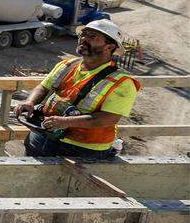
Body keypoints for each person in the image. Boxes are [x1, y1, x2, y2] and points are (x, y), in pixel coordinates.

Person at [15, 20, 139, 159]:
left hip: (83, 148)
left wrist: (65, 122)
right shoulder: (67, 65)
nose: (83, 39)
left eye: (92, 37)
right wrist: (30, 102)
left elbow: (108, 118)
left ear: (109, 47)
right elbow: (44, 87)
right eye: (83, 34)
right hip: (44, 133)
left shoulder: (121, 83)